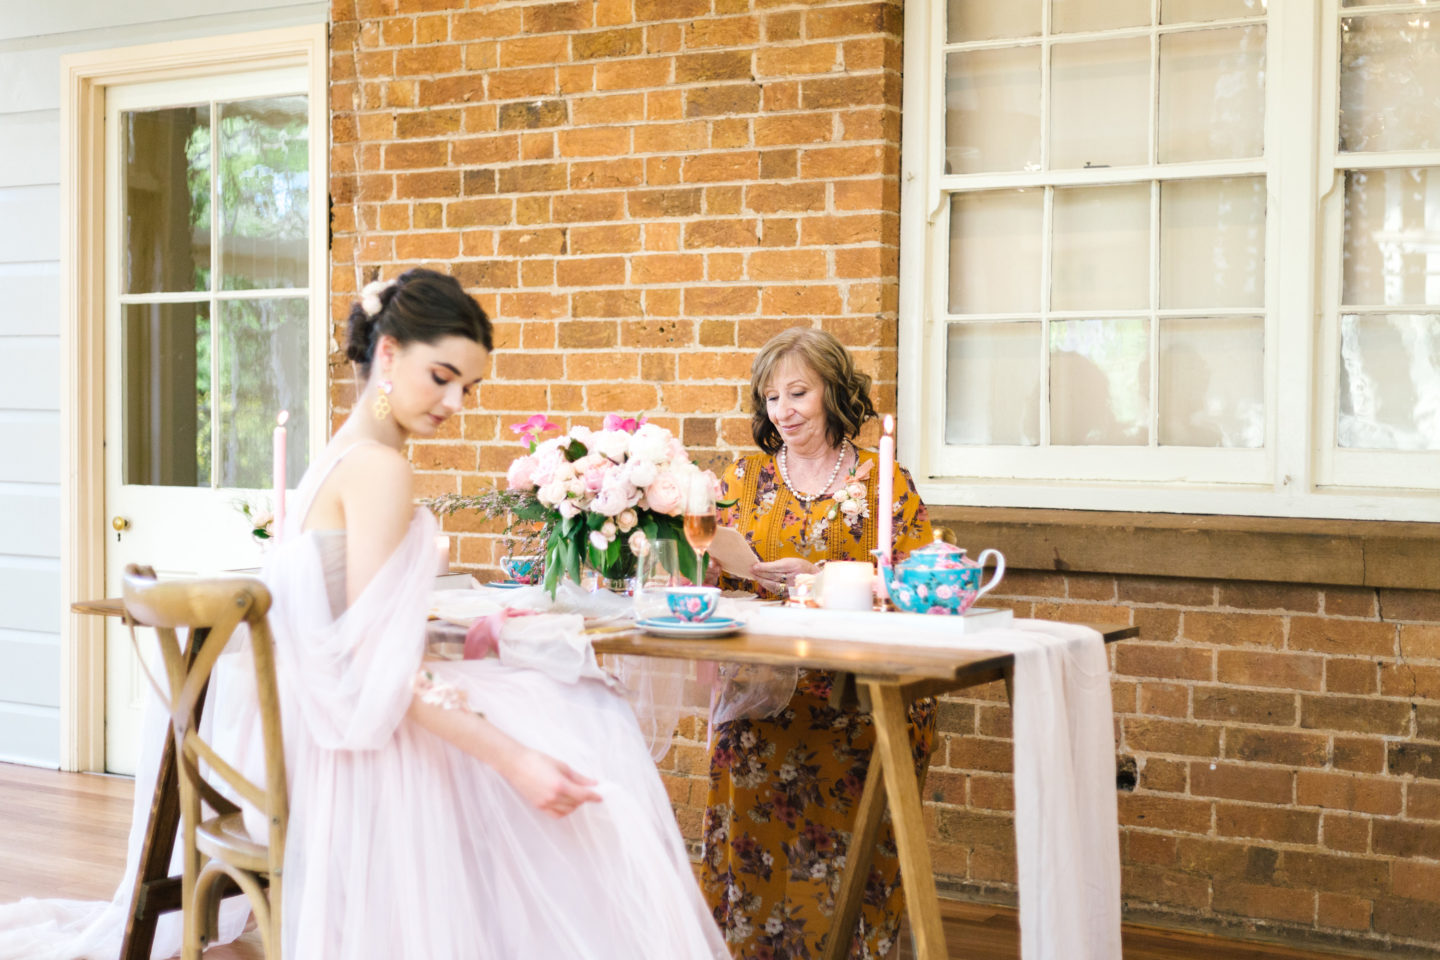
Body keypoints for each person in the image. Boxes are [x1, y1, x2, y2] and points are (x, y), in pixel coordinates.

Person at [0, 268, 728, 960]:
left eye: (468, 388)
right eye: (441, 378)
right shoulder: (380, 467)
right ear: (388, 352)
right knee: (580, 711)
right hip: (331, 738)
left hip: (278, 729)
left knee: (540, 682)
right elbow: (382, 672)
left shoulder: (343, 453)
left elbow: (352, 625)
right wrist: (516, 761)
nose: (454, 404)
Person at [701, 327, 934, 960]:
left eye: (798, 392)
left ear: (832, 390)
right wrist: (744, 569)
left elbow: (922, 582)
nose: (785, 410)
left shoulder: (881, 479)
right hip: (761, 694)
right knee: (751, 837)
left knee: (852, 850)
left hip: (854, 694)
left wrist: (830, 579)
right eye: (772, 397)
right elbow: (709, 569)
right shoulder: (742, 478)